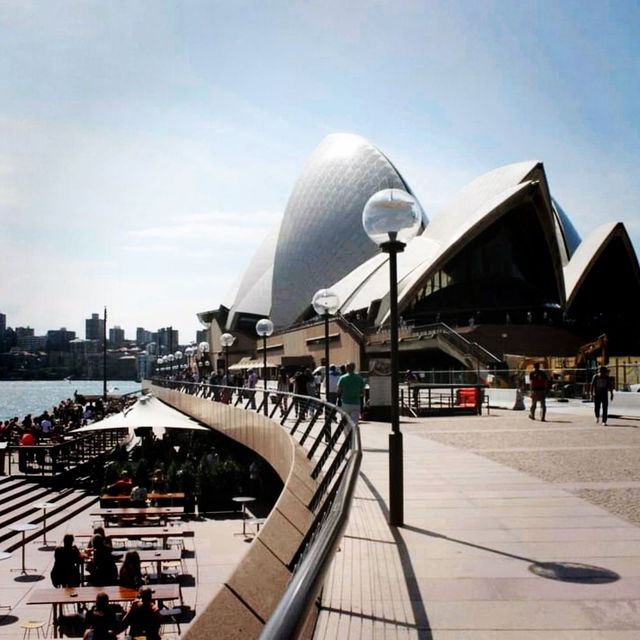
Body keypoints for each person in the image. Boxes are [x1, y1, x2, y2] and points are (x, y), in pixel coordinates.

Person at [338, 362, 365, 426]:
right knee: (354, 423)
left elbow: (339, 391)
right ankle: (353, 435)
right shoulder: (359, 378)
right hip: (356, 403)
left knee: (346, 423)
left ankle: (348, 435)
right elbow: (362, 392)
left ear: (346, 368)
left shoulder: (342, 378)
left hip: (345, 402)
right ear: (354, 368)